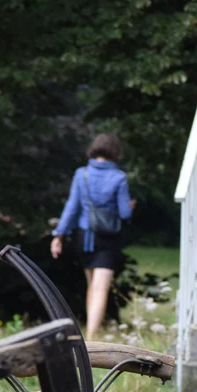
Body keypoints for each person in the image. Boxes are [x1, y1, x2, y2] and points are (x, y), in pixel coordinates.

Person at [50, 133, 135, 340]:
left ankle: (89, 332)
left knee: (92, 286)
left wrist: (59, 235)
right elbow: (125, 213)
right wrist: (131, 205)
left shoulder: (82, 174)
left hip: (85, 237)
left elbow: (72, 207)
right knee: (101, 288)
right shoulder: (119, 177)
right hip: (107, 239)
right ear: (115, 152)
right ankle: (91, 336)